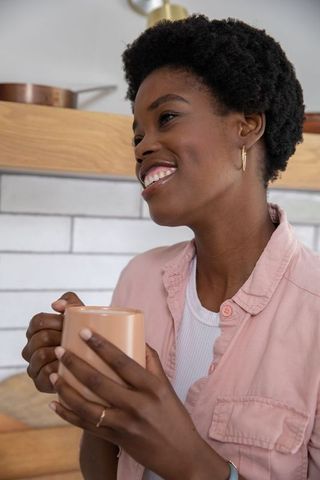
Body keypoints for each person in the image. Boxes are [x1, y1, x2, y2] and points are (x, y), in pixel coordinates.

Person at [22, 14, 320, 480]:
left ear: (247, 126)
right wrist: (92, 392)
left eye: (167, 117)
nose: (142, 147)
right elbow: (102, 469)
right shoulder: (139, 278)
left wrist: (191, 463)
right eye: (137, 134)